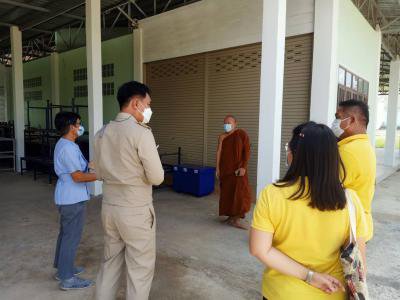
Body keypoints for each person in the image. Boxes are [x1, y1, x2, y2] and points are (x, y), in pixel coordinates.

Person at [250, 122, 368, 300]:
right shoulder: (350, 200)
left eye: (288, 148)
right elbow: (359, 263)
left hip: (282, 293)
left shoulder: (272, 194)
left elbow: (259, 249)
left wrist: (309, 276)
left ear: (294, 155)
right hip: (333, 292)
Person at [94, 81, 164, 300]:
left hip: (109, 208)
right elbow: (157, 177)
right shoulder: (141, 133)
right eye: (148, 104)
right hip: (135, 210)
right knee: (139, 269)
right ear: (136, 103)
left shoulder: (102, 133)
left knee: (110, 263)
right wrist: (139, 173)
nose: (149, 109)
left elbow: (97, 171)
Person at [53, 111, 97, 290]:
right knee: (71, 237)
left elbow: (81, 167)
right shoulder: (67, 148)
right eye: (78, 123)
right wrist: (99, 176)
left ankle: (63, 269)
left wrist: (92, 166)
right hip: (71, 199)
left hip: (70, 196)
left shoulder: (68, 144)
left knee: (65, 235)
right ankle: (67, 279)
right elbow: (78, 177)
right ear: (71, 126)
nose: (80, 127)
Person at [332, 99, 376, 241]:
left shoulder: (347, 152)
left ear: (350, 120)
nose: (334, 122)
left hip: (346, 229)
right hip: (361, 223)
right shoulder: (364, 145)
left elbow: (328, 190)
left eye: (338, 117)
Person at [216, 115, 252, 230]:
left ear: (235, 123)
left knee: (240, 194)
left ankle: (237, 219)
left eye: (229, 122)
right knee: (227, 194)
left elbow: (246, 152)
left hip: (238, 171)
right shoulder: (222, 137)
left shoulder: (241, 134)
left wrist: (243, 167)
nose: (227, 125)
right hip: (226, 171)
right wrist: (217, 168)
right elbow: (219, 152)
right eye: (225, 123)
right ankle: (230, 217)